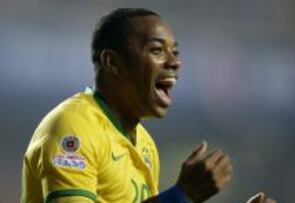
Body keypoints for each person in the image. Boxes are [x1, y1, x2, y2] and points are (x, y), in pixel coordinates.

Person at [21, 8, 275, 203]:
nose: (174, 62)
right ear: (112, 62)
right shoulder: (73, 125)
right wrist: (181, 195)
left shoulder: (145, 145)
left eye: (174, 52)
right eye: (156, 50)